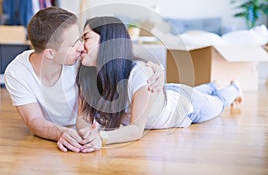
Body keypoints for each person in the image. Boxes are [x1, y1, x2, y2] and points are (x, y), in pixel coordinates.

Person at [70, 16, 243, 153]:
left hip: (186, 106)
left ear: (108, 42)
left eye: (86, 38)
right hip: (165, 94)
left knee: (219, 103)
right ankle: (212, 85)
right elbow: (82, 119)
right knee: (202, 91)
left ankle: (234, 87)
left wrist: (102, 137)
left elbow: (136, 129)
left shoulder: (137, 75)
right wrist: (88, 134)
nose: (80, 45)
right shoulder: (87, 75)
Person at [4, 7, 165, 152]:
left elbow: (117, 52)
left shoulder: (82, 60)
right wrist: (65, 133)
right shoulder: (17, 72)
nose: (81, 47)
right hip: (79, 131)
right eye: (74, 43)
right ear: (50, 53)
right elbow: (34, 120)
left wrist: (156, 68)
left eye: (82, 39)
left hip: (164, 103)